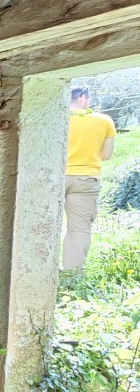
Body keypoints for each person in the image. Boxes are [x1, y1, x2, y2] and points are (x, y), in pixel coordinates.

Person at [64, 86, 116, 270]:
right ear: (83, 98)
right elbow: (106, 154)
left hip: (55, 176)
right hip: (85, 179)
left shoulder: (59, 117)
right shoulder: (104, 120)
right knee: (78, 230)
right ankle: (71, 278)